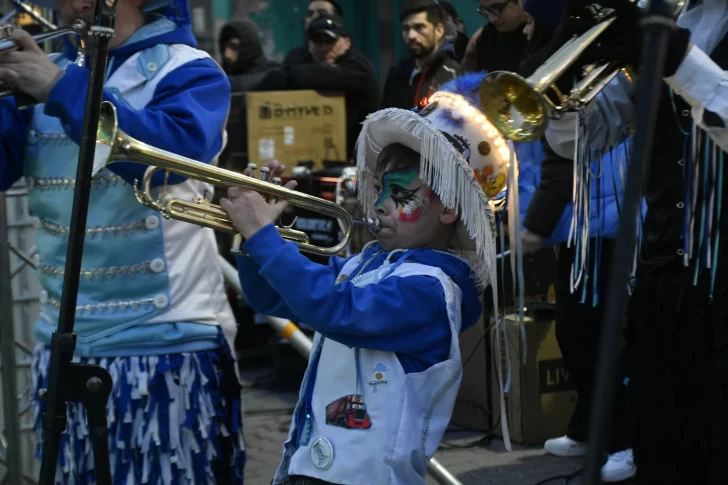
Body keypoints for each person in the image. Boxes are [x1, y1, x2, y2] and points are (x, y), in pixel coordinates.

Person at [220, 72, 511, 485]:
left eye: (401, 193)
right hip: (310, 467)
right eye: (379, 189)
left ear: (449, 208)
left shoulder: (432, 289)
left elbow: (336, 311)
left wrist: (265, 238)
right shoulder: (364, 266)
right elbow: (269, 299)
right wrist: (255, 241)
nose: (380, 204)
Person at [0, 0, 244, 482]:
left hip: (166, 344)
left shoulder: (188, 70)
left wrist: (56, 88)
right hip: (64, 346)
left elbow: (166, 157)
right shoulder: (56, 71)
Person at [543, 0, 728, 482]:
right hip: (669, 269)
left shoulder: (674, 35)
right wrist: (567, 75)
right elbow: (587, 136)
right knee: (665, 437)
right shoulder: (673, 15)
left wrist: (678, 59)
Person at [262, 14, 379, 160]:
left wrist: (292, 73)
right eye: (318, 42)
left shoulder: (359, 66)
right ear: (309, 45)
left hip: (357, 158)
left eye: (330, 41)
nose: (324, 47)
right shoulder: (300, 59)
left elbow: (329, 76)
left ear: (347, 43)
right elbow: (273, 80)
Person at [380, 0, 460, 110]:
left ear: (439, 30)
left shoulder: (453, 74)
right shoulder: (397, 73)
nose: (411, 35)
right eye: (406, 29)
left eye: (419, 27)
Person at [461, 0, 532, 73]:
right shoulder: (480, 41)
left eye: (497, 8)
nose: (492, 19)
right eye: (486, 9)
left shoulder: (542, 32)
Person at [284, 0, 344, 66]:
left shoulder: (352, 61)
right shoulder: (294, 57)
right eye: (310, 14)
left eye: (322, 13)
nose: (313, 17)